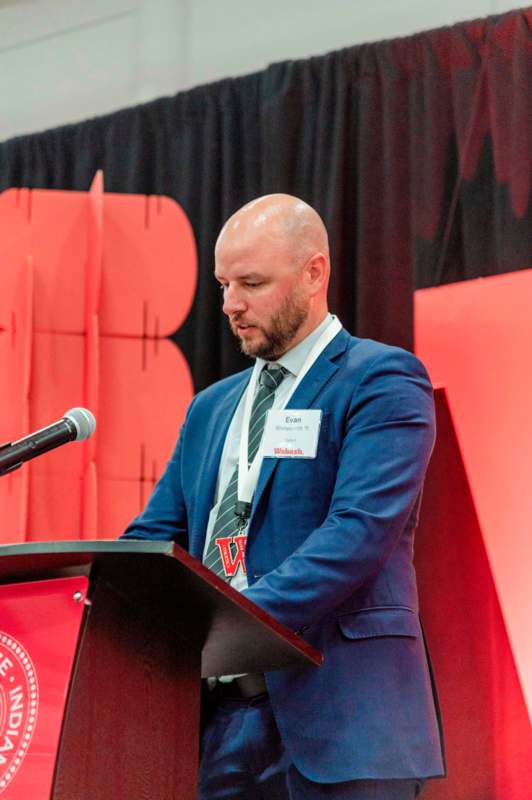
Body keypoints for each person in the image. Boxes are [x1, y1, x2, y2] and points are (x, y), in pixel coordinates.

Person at [122, 194, 445, 799]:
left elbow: (357, 533)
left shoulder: (381, 379)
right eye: (223, 284)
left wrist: (225, 624)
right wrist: (101, 594)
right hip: (215, 724)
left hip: (344, 720)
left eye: (251, 283)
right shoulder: (211, 407)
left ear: (314, 273)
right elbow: (155, 535)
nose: (230, 305)